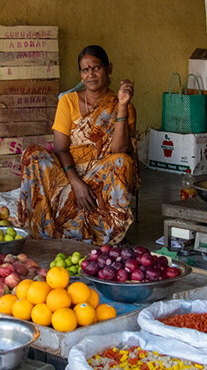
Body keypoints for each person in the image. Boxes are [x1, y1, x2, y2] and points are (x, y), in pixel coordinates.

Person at [17, 45, 138, 245]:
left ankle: (103, 234)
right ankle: (43, 227)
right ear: (81, 75)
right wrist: (76, 183)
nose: (91, 74)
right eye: (85, 69)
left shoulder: (122, 106)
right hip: (69, 171)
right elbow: (61, 149)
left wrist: (122, 106)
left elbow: (119, 150)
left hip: (101, 173)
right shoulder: (68, 102)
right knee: (33, 154)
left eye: (96, 68)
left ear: (109, 69)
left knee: (122, 162)